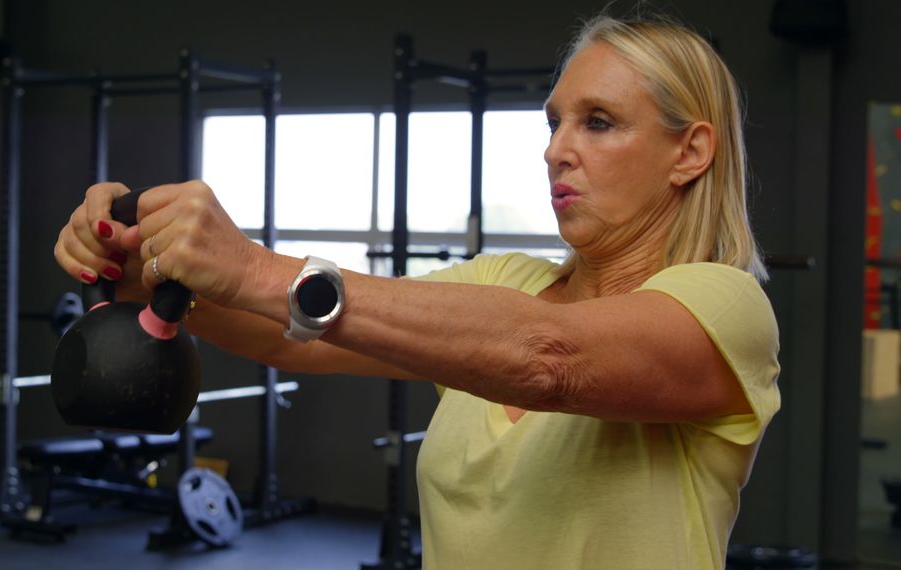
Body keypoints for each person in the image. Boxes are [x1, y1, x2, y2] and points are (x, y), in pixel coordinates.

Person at [54, 13, 780, 570]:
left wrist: (251, 266)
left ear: (690, 151)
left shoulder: (723, 308)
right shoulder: (505, 282)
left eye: (599, 122)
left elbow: (550, 360)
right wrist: (139, 267)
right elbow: (291, 332)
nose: (557, 147)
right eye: (555, 121)